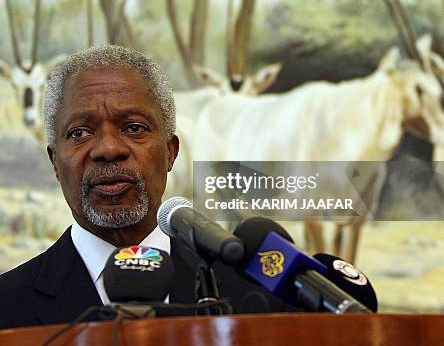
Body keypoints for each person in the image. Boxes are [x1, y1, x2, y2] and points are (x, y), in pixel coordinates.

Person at [0, 46, 287, 329]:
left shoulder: (258, 296)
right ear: (54, 162)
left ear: (171, 152)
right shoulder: (7, 307)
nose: (108, 149)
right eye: (80, 132)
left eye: (133, 128)